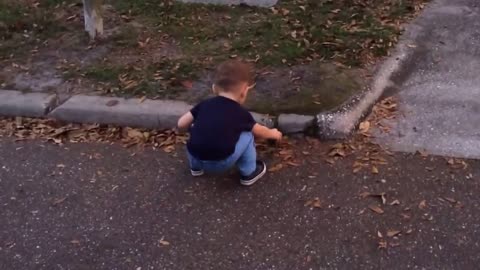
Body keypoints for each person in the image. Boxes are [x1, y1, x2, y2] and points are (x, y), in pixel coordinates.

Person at [177, 60, 282, 186]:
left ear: (214, 88)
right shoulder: (240, 113)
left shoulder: (204, 105)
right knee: (248, 135)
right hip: (221, 162)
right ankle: (249, 172)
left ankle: (196, 169)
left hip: (196, 156)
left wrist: (197, 130)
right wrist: (274, 134)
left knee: (194, 129)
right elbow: (260, 131)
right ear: (244, 92)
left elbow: (181, 124)